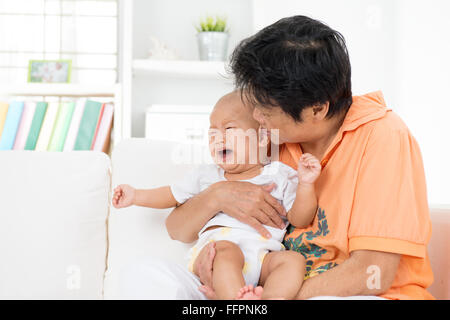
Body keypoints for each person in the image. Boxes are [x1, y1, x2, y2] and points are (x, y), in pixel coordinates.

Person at [165, 15, 434, 300]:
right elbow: (178, 229)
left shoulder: (383, 137)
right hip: (256, 287)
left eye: (266, 108)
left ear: (317, 109)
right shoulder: (270, 138)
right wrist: (217, 197)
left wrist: (272, 298)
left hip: (352, 294)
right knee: (149, 274)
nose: (256, 117)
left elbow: (372, 274)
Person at [113, 91, 322, 300]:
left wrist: (306, 184)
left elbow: (300, 218)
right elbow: (171, 194)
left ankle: (269, 300)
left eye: (229, 129)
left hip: (262, 258)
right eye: (212, 133)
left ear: (262, 137)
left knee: (293, 260)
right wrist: (136, 195)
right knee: (227, 252)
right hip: (216, 253)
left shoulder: (280, 174)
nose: (218, 139)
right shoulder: (207, 174)